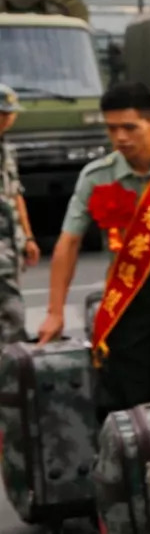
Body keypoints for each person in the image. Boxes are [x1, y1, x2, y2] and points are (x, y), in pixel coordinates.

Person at [39, 82, 150, 417]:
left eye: (129, 127)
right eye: (112, 128)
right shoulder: (97, 177)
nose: (120, 138)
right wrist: (55, 311)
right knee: (127, 386)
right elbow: (69, 241)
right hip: (130, 290)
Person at [0, 84, 40, 344]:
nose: (7, 119)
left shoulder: (6, 149)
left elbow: (15, 195)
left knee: (9, 304)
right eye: (2, 113)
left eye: (9, 113)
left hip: (9, 242)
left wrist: (27, 236)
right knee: (10, 309)